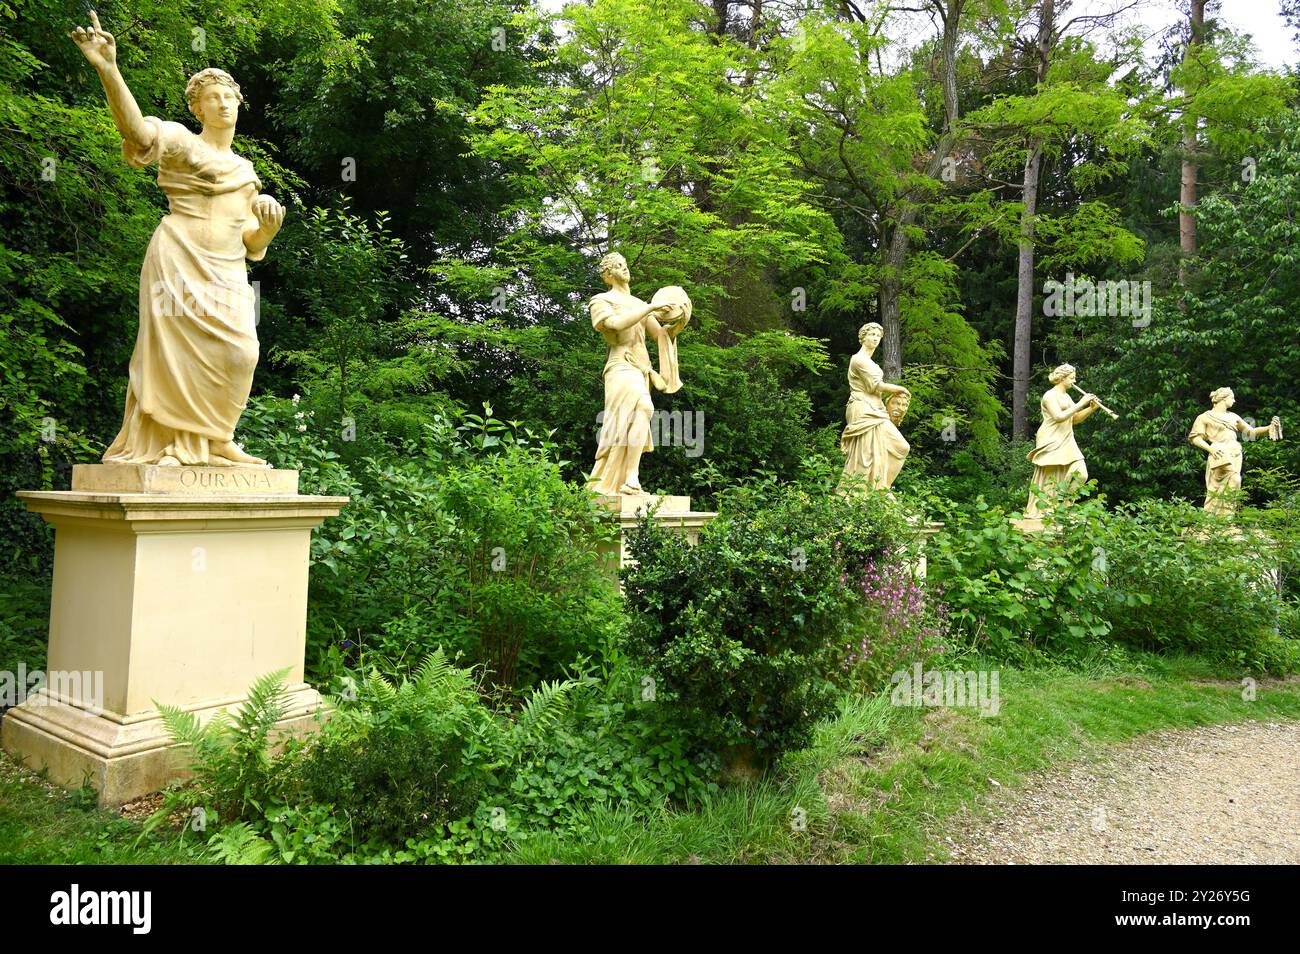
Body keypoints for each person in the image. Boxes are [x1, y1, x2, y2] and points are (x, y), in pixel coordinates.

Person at [72, 11, 285, 467]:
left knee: (242, 351)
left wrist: (265, 230)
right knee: (173, 354)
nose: (224, 103)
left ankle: (218, 436)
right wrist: (109, 69)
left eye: (229, 96)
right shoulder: (182, 142)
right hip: (179, 257)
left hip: (227, 267)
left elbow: (249, 239)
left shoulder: (246, 170)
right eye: (213, 97)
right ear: (198, 108)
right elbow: (136, 132)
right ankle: (182, 443)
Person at [588, 253, 688, 495]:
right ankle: (623, 477)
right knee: (642, 409)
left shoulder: (639, 304)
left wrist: (680, 321)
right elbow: (613, 325)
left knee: (639, 415)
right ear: (608, 275)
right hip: (620, 366)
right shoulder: (600, 300)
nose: (624, 267)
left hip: (640, 369)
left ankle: (630, 478)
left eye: (624, 263)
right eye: (617, 265)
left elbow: (660, 335)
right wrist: (650, 308)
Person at [839, 322, 911, 492]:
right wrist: (900, 388)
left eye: (878, 336)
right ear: (862, 337)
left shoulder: (869, 362)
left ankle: (881, 489)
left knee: (901, 447)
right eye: (871, 335)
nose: (875, 339)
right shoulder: (859, 360)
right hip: (863, 409)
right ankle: (856, 493)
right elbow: (876, 386)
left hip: (875, 409)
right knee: (865, 455)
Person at [1188, 387, 1281, 515]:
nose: (1234, 401)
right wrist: (1211, 449)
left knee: (1234, 482)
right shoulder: (1205, 417)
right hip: (1219, 453)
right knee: (1218, 486)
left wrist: (1268, 427)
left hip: (1235, 453)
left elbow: (1251, 432)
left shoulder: (1233, 417)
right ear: (1223, 398)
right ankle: (1211, 517)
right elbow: (1195, 438)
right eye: (1232, 398)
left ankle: (1227, 518)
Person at [1025, 364, 1099, 519]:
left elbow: (1074, 419)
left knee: (1081, 474)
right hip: (1051, 438)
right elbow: (1058, 417)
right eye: (1072, 378)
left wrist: (1091, 408)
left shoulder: (1067, 396)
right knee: (1051, 476)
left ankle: (1063, 504)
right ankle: (1048, 508)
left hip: (1066, 438)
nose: (1074, 380)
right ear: (1062, 378)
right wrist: (1081, 403)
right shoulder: (1049, 396)